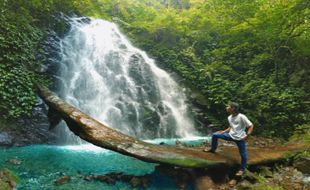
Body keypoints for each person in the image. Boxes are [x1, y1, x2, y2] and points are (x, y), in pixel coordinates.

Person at [204, 102, 254, 176]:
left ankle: (242, 169)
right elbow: (231, 127)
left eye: (228, 106)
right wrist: (223, 131)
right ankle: (213, 149)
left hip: (240, 138)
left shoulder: (242, 117)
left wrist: (247, 135)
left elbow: (251, 126)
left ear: (233, 108)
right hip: (230, 135)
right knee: (215, 135)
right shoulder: (229, 117)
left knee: (243, 154)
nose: (226, 107)